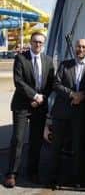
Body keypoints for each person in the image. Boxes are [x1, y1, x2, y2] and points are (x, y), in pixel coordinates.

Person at [3, 32, 54, 188]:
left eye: (40, 42)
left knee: (36, 141)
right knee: (18, 139)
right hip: (22, 105)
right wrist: (34, 97)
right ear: (30, 42)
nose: (37, 44)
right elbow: (18, 81)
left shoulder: (48, 60)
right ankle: (12, 173)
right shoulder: (21, 58)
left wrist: (41, 98)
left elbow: (51, 83)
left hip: (40, 106)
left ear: (43, 44)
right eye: (35, 42)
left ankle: (33, 171)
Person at [49, 39, 85, 189]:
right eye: (78, 46)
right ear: (75, 48)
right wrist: (72, 94)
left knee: (78, 149)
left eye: (84, 47)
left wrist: (83, 95)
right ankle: (53, 178)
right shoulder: (64, 65)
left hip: (80, 115)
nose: (81, 49)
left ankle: (76, 179)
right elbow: (56, 84)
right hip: (61, 113)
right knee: (56, 147)